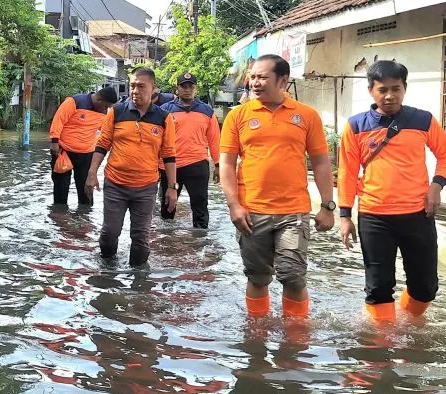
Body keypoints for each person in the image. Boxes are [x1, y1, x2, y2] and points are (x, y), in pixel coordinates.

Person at [338, 60, 446, 322]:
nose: (390, 95)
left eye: (396, 88)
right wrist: (345, 216)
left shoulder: (422, 120)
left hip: (418, 214)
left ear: (404, 89)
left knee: (425, 288)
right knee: (379, 287)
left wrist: (436, 185)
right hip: (374, 216)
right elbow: (347, 172)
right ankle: (380, 346)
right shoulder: (356, 126)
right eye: (382, 90)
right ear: (370, 90)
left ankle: (408, 322)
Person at [220, 55, 335, 319]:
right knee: (258, 277)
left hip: (293, 211)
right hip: (251, 211)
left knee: (293, 276)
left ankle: (294, 337)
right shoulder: (238, 116)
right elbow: (225, 163)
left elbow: (320, 163)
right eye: (253, 77)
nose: (254, 83)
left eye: (262, 77)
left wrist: (328, 206)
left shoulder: (306, 116)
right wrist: (234, 205)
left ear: (283, 81)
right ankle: (257, 331)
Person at [87, 68, 177, 266]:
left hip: (146, 187)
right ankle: (107, 274)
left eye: (141, 86)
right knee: (109, 233)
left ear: (154, 89)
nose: (135, 90)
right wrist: (92, 172)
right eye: (132, 85)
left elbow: (169, 154)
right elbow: (103, 143)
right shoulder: (116, 112)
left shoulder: (164, 118)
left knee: (140, 238)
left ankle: (139, 288)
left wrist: (172, 188)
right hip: (115, 184)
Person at [159, 72, 220, 229]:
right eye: (183, 86)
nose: (187, 89)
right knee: (167, 208)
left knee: (200, 207)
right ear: (177, 88)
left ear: (195, 88)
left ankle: (200, 243)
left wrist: (218, 165)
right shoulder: (165, 110)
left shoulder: (207, 111)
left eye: (190, 86)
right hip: (170, 166)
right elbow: (156, 139)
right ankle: (166, 243)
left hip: (197, 164)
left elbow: (214, 139)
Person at [49, 86, 118, 207]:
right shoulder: (74, 102)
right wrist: (54, 142)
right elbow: (58, 120)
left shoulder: (106, 112)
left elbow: (106, 131)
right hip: (63, 151)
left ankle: (85, 218)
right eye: (106, 106)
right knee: (61, 187)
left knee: (86, 189)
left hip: (87, 154)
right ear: (99, 99)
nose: (107, 109)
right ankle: (59, 217)